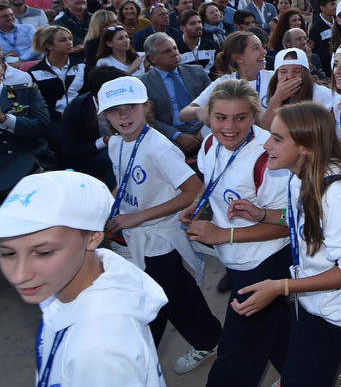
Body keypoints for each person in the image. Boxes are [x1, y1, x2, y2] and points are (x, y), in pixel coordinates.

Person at [225, 102, 341, 386]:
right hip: (314, 306)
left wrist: (280, 287)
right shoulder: (300, 177)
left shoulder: (337, 195)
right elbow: (308, 223)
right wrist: (262, 215)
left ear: (304, 147)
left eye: (277, 139)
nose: (266, 144)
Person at [97, 76, 223, 373]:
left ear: (147, 107)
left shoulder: (158, 148)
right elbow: (124, 181)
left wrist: (137, 217)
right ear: (105, 117)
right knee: (176, 292)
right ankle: (209, 338)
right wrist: (108, 206)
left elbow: (195, 191)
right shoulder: (116, 143)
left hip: (159, 239)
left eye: (131, 107)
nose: (124, 115)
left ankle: (136, 367)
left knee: (149, 305)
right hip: (136, 236)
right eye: (115, 111)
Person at [0, 170, 169, 386]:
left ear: (93, 238)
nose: (19, 275)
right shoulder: (60, 285)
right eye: (7, 253)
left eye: (44, 253)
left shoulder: (99, 353)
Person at [179, 79, 292, 387]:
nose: (230, 127)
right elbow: (213, 186)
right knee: (279, 334)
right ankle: (311, 375)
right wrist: (199, 207)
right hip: (235, 260)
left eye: (240, 118)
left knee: (235, 357)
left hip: (264, 264)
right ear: (208, 118)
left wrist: (223, 236)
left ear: (253, 116)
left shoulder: (269, 156)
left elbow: (288, 221)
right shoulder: (208, 144)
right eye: (221, 118)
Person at [140, 33, 211, 153]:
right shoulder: (144, 83)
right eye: (166, 51)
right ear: (153, 58)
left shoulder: (197, 71)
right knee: (165, 153)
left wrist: (206, 129)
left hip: (205, 126)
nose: (174, 53)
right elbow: (148, 119)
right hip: (172, 134)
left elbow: (215, 101)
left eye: (175, 48)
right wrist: (176, 135)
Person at [181, 31, 275, 122]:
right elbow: (184, 115)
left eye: (263, 47)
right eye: (256, 48)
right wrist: (200, 111)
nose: (264, 52)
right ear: (238, 57)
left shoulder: (274, 77)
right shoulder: (224, 82)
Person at [0, 60, 50, 192]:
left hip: (31, 159)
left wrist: (5, 119)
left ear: (2, 68)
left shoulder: (25, 92)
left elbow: (43, 126)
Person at [260, 48, 335, 129]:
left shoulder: (322, 96)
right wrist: (277, 99)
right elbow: (264, 128)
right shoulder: (273, 93)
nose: (290, 77)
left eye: (297, 71)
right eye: (283, 71)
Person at [0, 2, 40, 69]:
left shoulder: (28, 28)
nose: (10, 18)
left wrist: (22, 60)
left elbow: (37, 47)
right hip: (8, 68)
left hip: (32, 64)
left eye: (11, 14)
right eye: (5, 16)